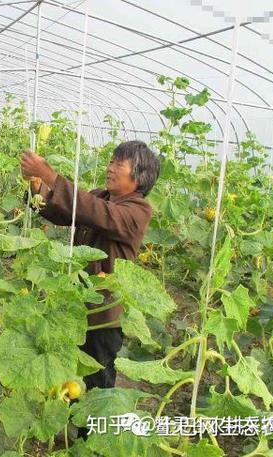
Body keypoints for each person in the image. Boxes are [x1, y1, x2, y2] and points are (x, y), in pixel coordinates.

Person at [20, 140, 160, 391]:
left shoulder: (139, 210)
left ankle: (91, 430)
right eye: (110, 161)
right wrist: (36, 185)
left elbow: (95, 212)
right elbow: (60, 212)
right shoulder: (99, 196)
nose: (110, 168)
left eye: (119, 164)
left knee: (97, 381)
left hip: (103, 313)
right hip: (76, 303)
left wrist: (50, 175)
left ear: (139, 176)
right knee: (68, 375)